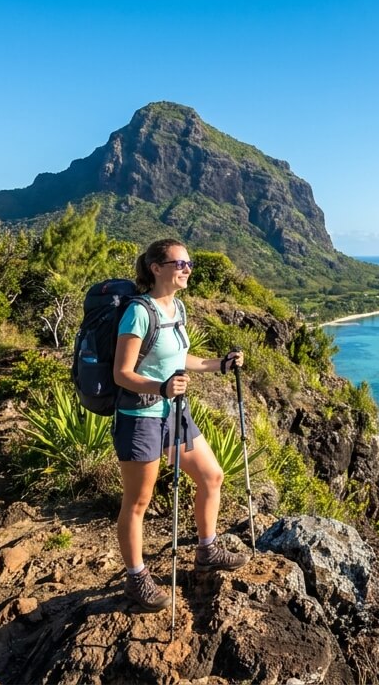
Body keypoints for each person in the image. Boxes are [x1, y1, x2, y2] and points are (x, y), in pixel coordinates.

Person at [111, 238, 248, 611]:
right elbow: (121, 373)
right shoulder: (139, 312)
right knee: (138, 502)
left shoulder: (177, 307)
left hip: (174, 413)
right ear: (157, 268)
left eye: (189, 263)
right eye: (180, 263)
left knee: (211, 475)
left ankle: (207, 550)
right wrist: (160, 386)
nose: (188, 269)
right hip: (140, 418)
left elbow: (181, 357)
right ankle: (136, 578)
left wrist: (219, 365)